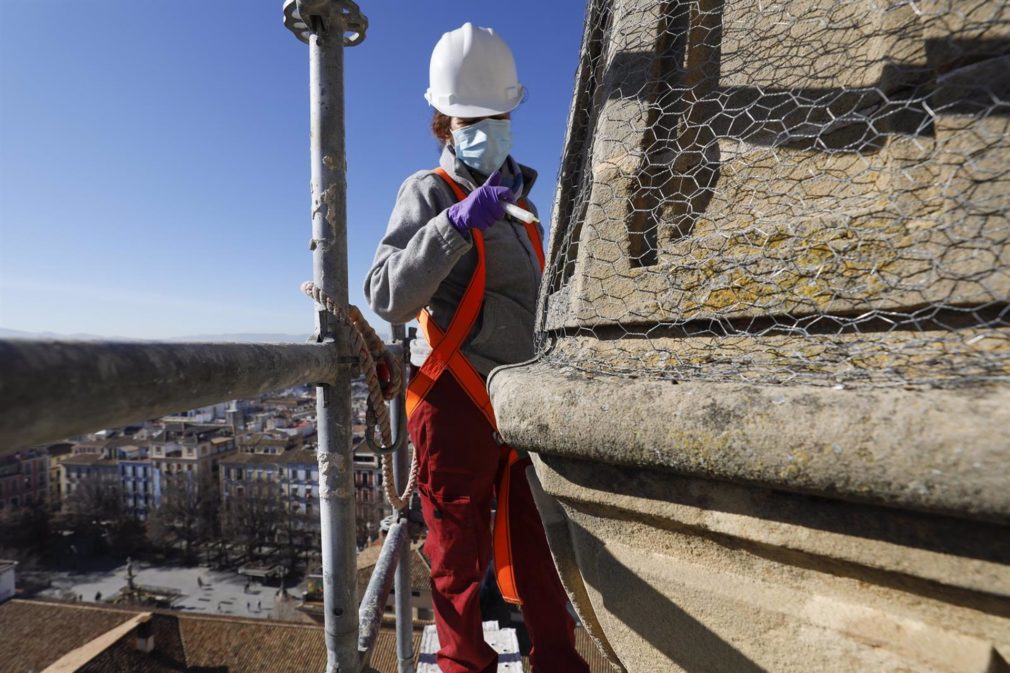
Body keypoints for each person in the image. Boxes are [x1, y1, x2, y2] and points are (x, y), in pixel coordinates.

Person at [365, 22, 590, 673]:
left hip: (517, 401)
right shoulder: (430, 194)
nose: (489, 126)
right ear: (447, 123)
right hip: (456, 397)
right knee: (456, 563)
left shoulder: (519, 210)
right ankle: (465, 666)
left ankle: (558, 662)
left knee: (539, 547)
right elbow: (386, 293)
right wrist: (455, 224)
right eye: (473, 117)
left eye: (499, 115)